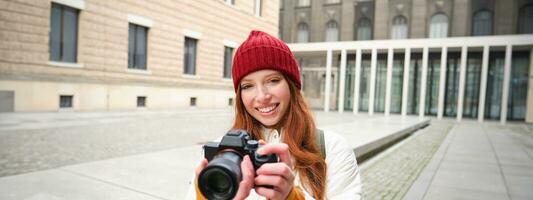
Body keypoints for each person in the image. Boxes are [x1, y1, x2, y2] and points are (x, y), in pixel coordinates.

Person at [186, 30, 362, 200]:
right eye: (248, 86)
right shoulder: (218, 154)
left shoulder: (332, 148)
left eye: (273, 81)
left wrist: (291, 198)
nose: (262, 96)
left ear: (292, 85)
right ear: (240, 95)